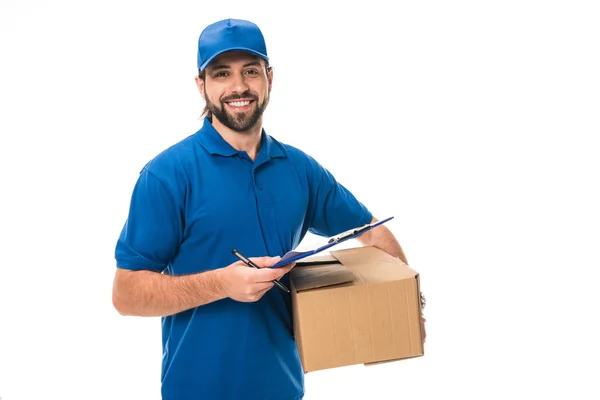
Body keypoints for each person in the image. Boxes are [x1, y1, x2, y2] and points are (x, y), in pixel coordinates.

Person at [112, 18, 414, 400]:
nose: (239, 87)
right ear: (201, 85)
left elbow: (370, 230)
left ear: (269, 77)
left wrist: (406, 302)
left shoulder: (300, 169)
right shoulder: (167, 175)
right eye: (222, 74)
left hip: (283, 389)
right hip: (196, 390)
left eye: (250, 71)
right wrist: (222, 284)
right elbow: (126, 293)